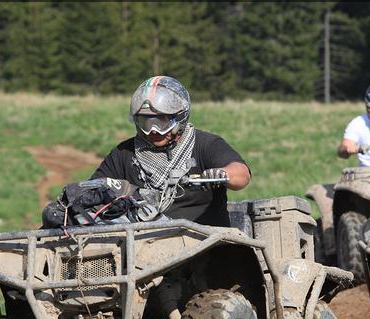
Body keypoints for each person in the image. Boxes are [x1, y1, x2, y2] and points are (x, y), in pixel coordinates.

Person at [91, 76, 251, 227]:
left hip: (205, 245)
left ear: (180, 117)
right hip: (143, 246)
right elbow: (93, 190)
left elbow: (242, 175)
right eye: (145, 122)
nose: (153, 131)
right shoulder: (123, 153)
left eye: (161, 121)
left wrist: (222, 175)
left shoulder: (206, 144)